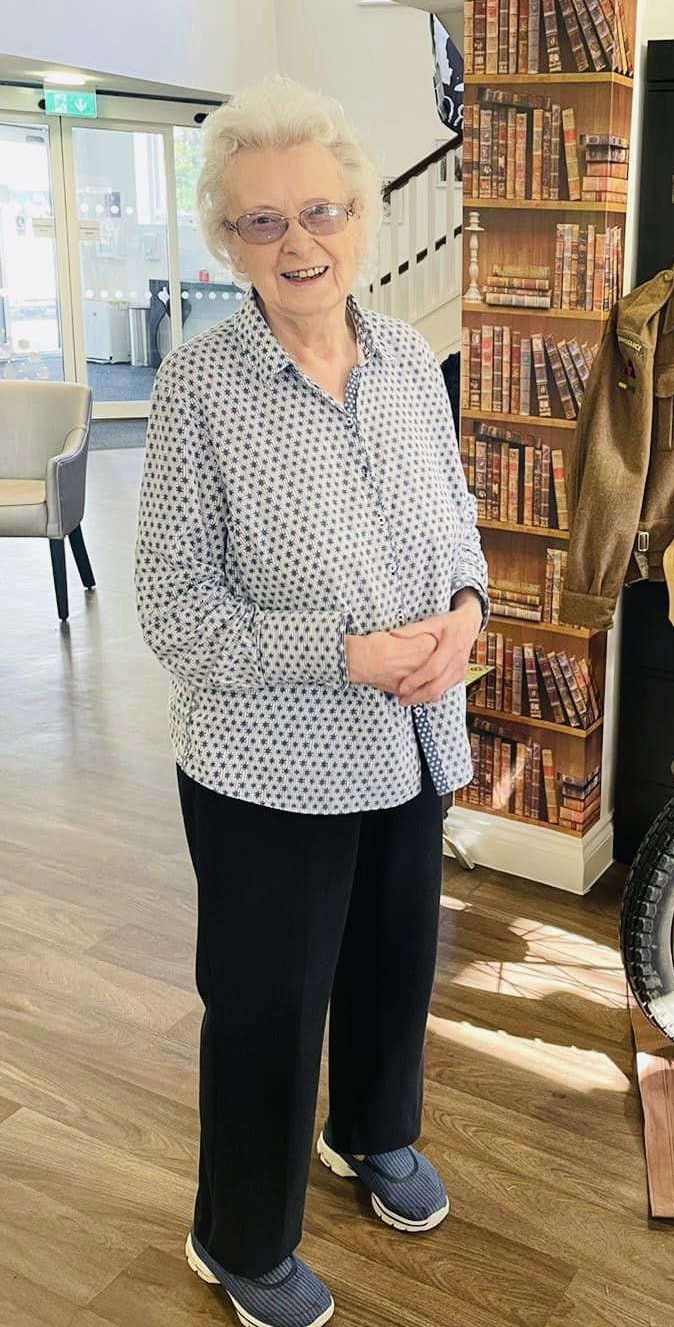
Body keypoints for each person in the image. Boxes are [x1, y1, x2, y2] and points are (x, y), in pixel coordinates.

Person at [134, 79, 487, 1327]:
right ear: (224, 240)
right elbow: (173, 613)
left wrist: (467, 612)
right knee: (268, 1009)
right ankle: (236, 1237)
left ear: (365, 216)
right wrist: (341, 654)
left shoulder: (405, 362)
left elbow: (461, 532)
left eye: (320, 212)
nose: (299, 244)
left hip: (415, 737)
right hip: (265, 765)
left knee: (395, 966)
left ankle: (374, 1134)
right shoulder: (197, 388)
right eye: (260, 222)